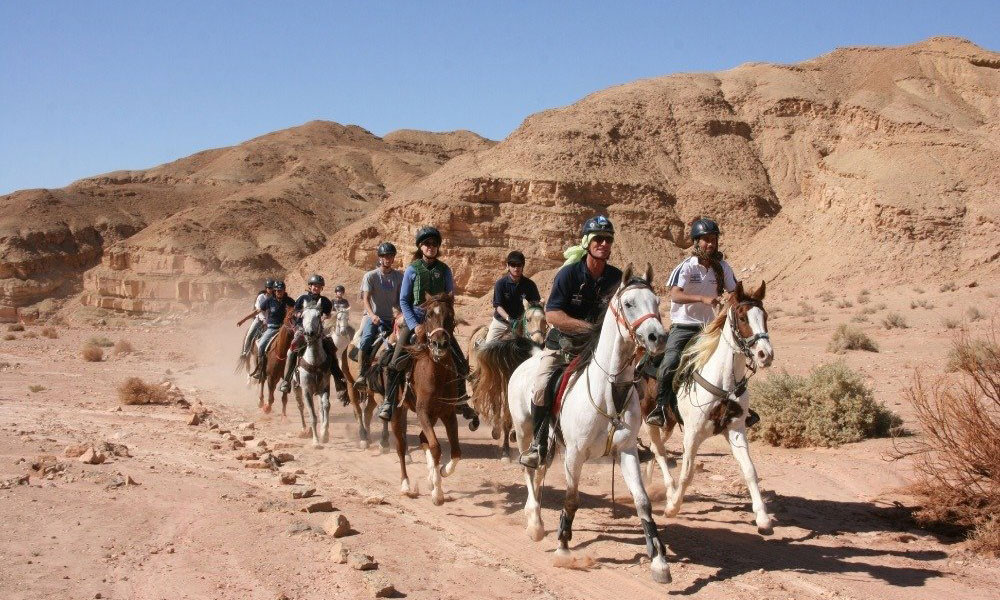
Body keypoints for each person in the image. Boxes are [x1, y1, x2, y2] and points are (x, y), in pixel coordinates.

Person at [519, 216, 622, 469]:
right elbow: (553, 315)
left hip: (599, 348)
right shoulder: (568, 274)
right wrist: (590, 328)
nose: (603, 243)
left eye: (608, 239)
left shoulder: (616, 277)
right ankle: (539, 442)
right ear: (587, 242)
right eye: (598, 238)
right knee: (542, 384)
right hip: (563, 344)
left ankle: (628, 439)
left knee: (631, 382)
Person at [376, 226, 479, 430]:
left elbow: (450, 299)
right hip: (415, 319)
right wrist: (414, 326)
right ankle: (389, 401)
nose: (430, 247)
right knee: (395, 361)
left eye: (434, 244)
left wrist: (444, 321)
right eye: (426, 244)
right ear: (420, 247)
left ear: (438, 247)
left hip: (438, 322)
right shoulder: (412, 270)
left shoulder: (445, 270)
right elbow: (404, 301)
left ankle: (461, 401)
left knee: (460, 362)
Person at [645, 217, 738, 427]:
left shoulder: (722, 267)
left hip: (709, 327)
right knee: (669, 363)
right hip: (684, 326)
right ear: (696, 242)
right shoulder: (686, 267)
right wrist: (703, 299)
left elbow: (735, 292)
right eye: (705, 239)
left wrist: (726, 309)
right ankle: (660, 408)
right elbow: (675, 295)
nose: (710, 243)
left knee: (733, 359)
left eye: (713, 239)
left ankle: (738, 407)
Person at [277, 274, 347, 398]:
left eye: (319, 286)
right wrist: (300, 314)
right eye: (314, 285)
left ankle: (339, 380)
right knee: (291, 351)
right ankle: (286, 381)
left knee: (331, 350)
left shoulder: (325, 301)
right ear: (310, 286)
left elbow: (328, 314)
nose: (316, 288)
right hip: (302, 329)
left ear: (321, 288)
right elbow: (295, 311)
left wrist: (326, 316)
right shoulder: (302, 298)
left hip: (319, 331)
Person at [355, 242, 402, 389]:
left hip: (392, 318)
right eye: (384, 256)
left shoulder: (399, 277)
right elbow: (366, 299)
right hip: (374, 317)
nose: (387, 259)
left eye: (390, 256)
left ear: (393, 258)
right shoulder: (370, 276)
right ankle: (361, 374)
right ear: (380, 258)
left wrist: (400, 314)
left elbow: (401, 299)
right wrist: (372, 315)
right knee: (367, 339)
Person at [485, 251, 541, 342]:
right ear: (508, 266)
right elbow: (498, 306)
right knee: (488, 345)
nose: (516, 268)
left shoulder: (530, 285)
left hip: (523, 324)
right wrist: (509, 319)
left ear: (523, 266)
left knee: (537, 344)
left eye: (519, 265)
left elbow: (535, 305)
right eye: (513, 265)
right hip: (501, 322)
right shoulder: (500, 284)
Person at [252, 281, 294, 380]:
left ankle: (296, 373)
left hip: (285, 328)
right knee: (261, 345)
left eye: (281, 290)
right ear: (274, 291)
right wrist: (243, 320)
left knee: (298, 345)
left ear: (284, 290)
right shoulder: (269, 300)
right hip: (272, 328)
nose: (279, 292)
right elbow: (258, 310)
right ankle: (260, 369)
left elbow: (297, 309)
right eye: (277, 290)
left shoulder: (289, 301)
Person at [238, 279, 274, 356]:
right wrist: (264, 319)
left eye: (273, 288)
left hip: (271, 321)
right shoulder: (261, 297)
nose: (271, 290)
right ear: (266, 288)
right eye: (270, 288)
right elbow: (258, 310)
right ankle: (245, 351)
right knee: (250, 333)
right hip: (260, 320)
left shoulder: (275, 298)